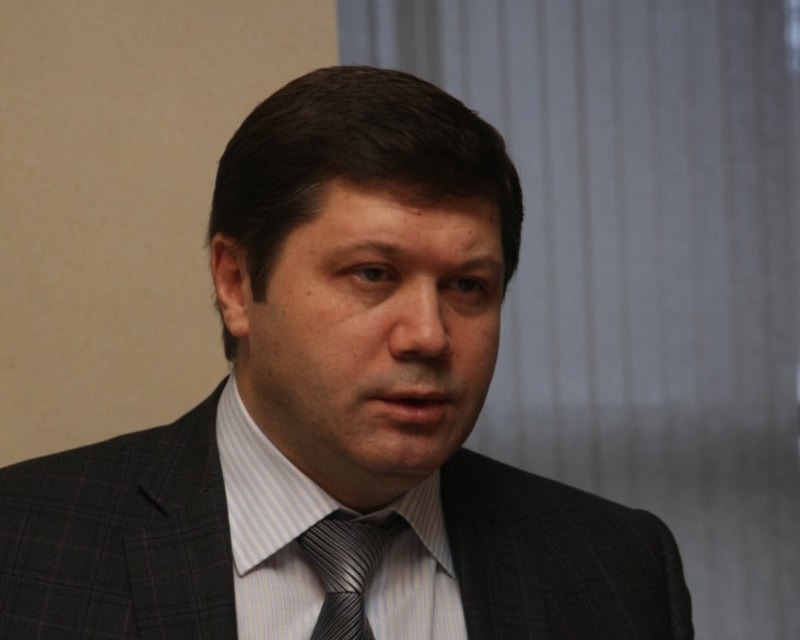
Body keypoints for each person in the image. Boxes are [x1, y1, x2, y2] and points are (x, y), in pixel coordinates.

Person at [0, 66, 693, 639]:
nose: (429, 335)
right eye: (373, 274)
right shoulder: (24, 548)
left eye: (467, 286)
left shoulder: (615, 569)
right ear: (236, 284)